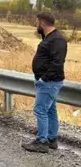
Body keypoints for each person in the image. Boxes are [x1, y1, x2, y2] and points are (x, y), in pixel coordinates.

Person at [22, 12, 67, 153]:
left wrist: (44, 79)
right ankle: (52, 139)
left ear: (42, 23)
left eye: (37, 23)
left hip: (49, 82)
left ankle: (42, 142)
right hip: (48, 81)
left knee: (40, 110)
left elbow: (57, 63)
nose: (36, 26)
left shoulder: (57, 40)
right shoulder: (50, 38)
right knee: (50, 110)